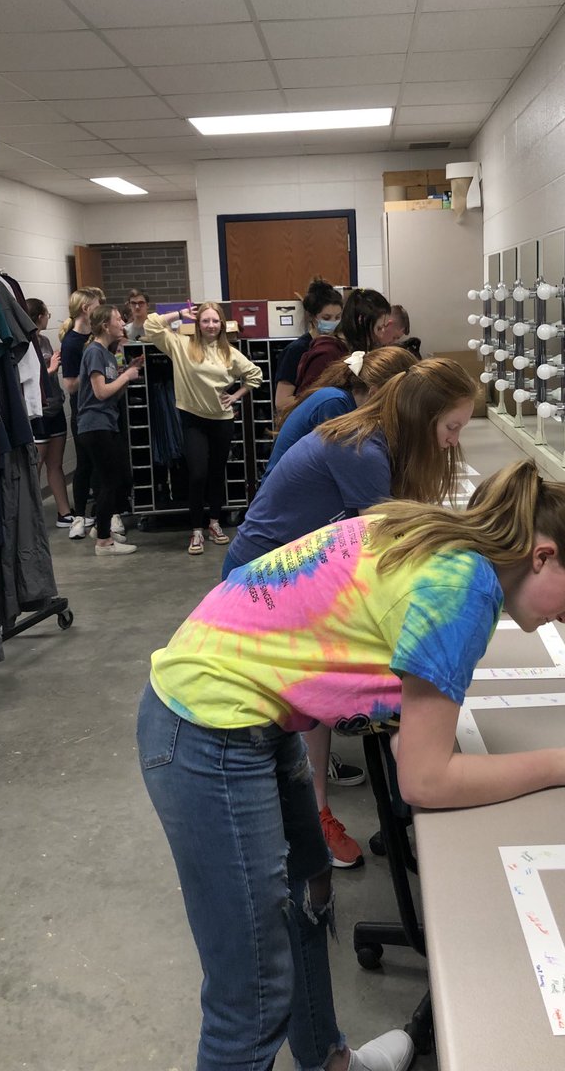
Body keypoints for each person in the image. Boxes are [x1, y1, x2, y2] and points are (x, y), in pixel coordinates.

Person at [137, 459, 565, 1071]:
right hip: (208, 727)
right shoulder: (463, 589)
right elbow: (425, 780)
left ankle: (330, 1062)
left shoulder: (442, 540)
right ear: (543, 556)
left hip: (242, 708)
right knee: (252, 998)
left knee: (311, 886)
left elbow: (392, 681)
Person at [223, 356, 477, 867]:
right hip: (265, 582)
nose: (453, 441)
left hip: (304, 574)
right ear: (424, 416)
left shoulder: (383, 441)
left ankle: (385, 803)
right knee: (316, 690)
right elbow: (391, 546)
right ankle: (315, 815)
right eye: (451, 428)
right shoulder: (361, 447)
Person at [144, 302, 263, 555]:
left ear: (222, 325)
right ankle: (196, 530)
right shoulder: (181, 345)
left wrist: (236, 396)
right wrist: (179, 314)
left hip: (222, 420)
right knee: (197, 474)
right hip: (192, 420)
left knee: (217, 473)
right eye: (205, 321)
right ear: (197, 324)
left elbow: (255, 375)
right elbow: (150, 325)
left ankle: (215, 523)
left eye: (215, 321)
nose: (210, 325)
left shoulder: (229, 353)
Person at [265, 345, 417, 477]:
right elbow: (353, 470)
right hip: (291, 501)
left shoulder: (344, 401)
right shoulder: (334, 403)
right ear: (376, 393)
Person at [75, 305, 142, 556]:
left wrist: (126, 372)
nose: (122, 323)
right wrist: (126, 377)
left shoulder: (108, 355)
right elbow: (100, 392)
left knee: (122, 479)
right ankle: (103, 541)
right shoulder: (94, 352)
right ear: (105, 325)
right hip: (95, 425)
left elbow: (111, 394)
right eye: (117, 319)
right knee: (110, 482)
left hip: (107, 422)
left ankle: (101, 528)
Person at [59, 286, 106, 540]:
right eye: (98, 304)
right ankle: (79, 516)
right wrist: (94, 372)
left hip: (102, 410)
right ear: (87, 309)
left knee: (101, 465)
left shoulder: (97, 338)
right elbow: (70, 384)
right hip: (83, 411)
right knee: (84, 464)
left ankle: (103, 516)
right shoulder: (72, 342)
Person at [25, 298, 73, 526]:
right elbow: (26, 378)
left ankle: (64, 512)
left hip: (54, 407)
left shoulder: (43, 340)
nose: (49, 316)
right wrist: (51, 369)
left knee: (56, 462)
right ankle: (30, 516)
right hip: (39, 412)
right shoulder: (25, 343)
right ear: (39, 316)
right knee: (37, 463)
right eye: (46, 313)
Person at [294, 287, 391, 393]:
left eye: (385, 327)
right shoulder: (327, 354)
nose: (381, 335)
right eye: (379, 328)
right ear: (361, 321)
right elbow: (308, 401)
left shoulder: (352, 351)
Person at [274, 279, 344, 410]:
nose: (333, 322)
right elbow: (282, 401)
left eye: (338, 317)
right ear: (312, 317)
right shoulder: (297, 350)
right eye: (326, 318)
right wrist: (320, 399)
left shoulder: (337, 346)